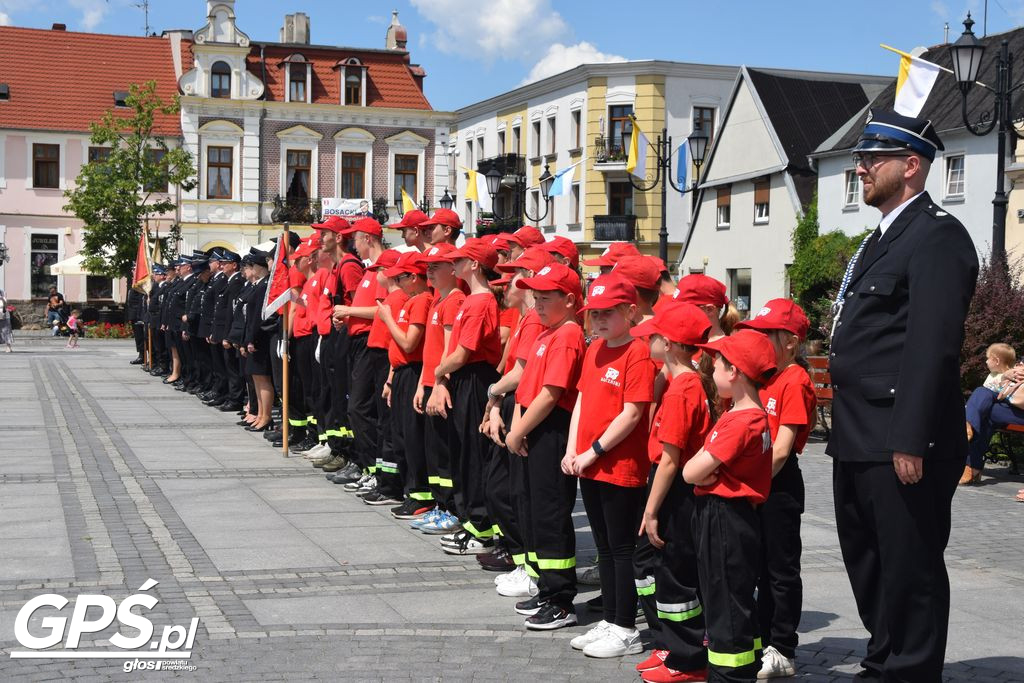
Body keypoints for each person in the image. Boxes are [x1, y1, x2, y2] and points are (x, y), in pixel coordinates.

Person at [828, 109, 979, 681]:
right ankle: (885, 658)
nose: (860, 169)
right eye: (860, 159)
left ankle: (912, 669)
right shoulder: (884, 237)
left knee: (910, 568)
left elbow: (932, 347)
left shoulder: (938, 236)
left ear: (910, 166)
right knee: (867, 561)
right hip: (857, 434)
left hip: (900, 438)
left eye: (872, 159)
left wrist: (911, 438)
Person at [563, 273, 655, 653]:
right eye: (594, 314)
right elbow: (582, 401)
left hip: (620, 467)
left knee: (621, 549)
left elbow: (632, 413)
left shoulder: (639, 352)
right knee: (603, 548)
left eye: (607, 313)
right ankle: (609, 618)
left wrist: (593, 450)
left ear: (630, 312)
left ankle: (625, 626)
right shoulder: (594, 349)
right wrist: (572, 449)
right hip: (590, 464)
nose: (598, 321)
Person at [683, 330, 777, 683]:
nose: (711, 371)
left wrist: (699, 472)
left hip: (724, 518)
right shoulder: (747, 413)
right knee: (737, 601)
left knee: (725, 605)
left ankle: (728, 675)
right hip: (734, 518)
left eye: (718, 364)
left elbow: (692, 471)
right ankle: (744, 668)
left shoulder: (741, 420)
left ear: (735, 371)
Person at [632, 302, 717, 683]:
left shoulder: (684, 389)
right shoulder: (677, 384)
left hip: (676, 491)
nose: (647, 340)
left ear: (668, 343)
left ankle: (688, 660)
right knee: (660, 571)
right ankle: (669, 645)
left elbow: (669, 461)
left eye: (652, 336)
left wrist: (650, 511)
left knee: (677, 575)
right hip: (670, 486)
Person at [735, 300, 816, 679]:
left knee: (779, 570)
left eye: (767, 334)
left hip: (776, 484)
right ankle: (759, 639)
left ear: (790, 342)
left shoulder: (794, 378)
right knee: (755, 568)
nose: (760, 339)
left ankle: (782, 646)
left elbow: (782, 448)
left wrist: (751, 483)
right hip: (753, 482)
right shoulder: (762, 374)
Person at [506, 262, 586, 631]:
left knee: (551, 515)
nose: (537, 301)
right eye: (535, 295)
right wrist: (519, 426)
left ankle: (560, 598)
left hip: (551, 430)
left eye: (546, 296)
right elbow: (527, 388)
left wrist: (517, 430)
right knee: (535, 511)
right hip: (533, 429)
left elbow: (552, 394)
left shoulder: (568, 335)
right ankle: (545, 586)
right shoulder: (546, 333)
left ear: (569, 300)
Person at [429, 238, 502, 555]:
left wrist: (437, 373)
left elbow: (461, 354)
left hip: (473, 379)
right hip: (465, 379)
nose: (454, 265)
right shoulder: (473, 300)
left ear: (474, 265)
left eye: (459, 260)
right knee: (464, 454)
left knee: (473, 455)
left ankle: (482, 528)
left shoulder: (479, 302)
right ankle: (472, 522)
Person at [377, 250, 434, 517]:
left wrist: (387, 318)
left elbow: (410, 343)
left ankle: (420, 494)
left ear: (413, 277)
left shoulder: (422, 300)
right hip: (401, 373)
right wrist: (390, 378)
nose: (396, 285)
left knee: (412, 437)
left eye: (399, 279)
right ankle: (411, 491)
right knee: (400, 435)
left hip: (413, 372)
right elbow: (397, 347)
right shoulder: (411, 301)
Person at [962, 344, 1019, 484]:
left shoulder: (1009, 373)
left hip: (1016, 407)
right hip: (1005, 407)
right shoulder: (1002, 373)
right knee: (983, 402)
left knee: (983, 407)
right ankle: (968, 426)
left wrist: (1006, 377)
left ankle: (972, 466)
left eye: (988, 359)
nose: (986, 361)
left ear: (997, 360)